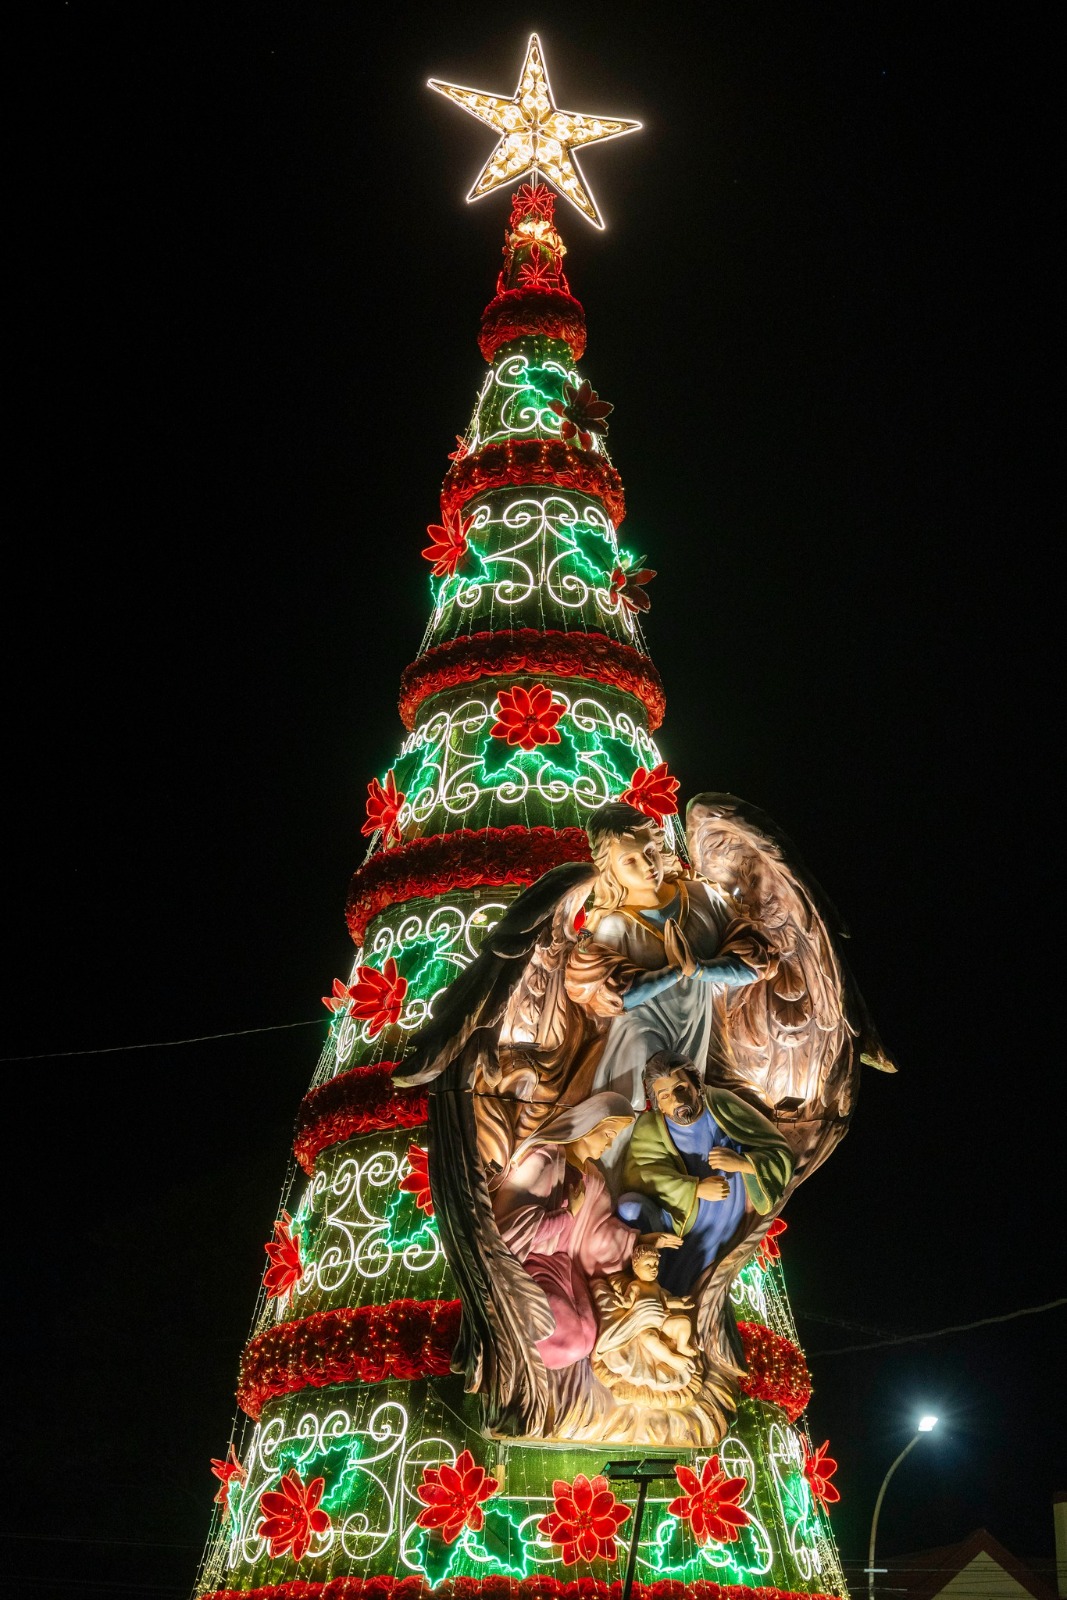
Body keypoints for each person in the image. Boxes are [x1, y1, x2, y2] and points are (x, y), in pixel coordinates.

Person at [564, 804, 771, 1125]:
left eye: (649, 851)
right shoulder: (615, 926)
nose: (646, 864)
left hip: (704, 1030)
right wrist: (673, 971)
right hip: (639, 1035)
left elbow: (755, 962)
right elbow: (607, 996)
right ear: (610, 870)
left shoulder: (703, 897)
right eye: (628, 861)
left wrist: (700, 969)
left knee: (698, 1108)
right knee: (636, 1116)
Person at [490, 1092, 680, 1371]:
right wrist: (568, 1215)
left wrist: (639, 1242)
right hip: (530, 1268)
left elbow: (597, 1237)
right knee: (570, 1341)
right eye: (609, 1133)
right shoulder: (544, 1160)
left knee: (591, 1333)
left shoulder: (593, 1178)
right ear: (588, 1125)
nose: (610, 1143)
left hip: (566, 1268)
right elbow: (510, 1231)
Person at [618, 1052, 794, 1295]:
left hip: (723, 1220)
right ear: (657, 1102)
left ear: (695, 1084)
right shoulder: (651, 1126)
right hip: (677, 1219)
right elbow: (641, 1176)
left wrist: (743, 1164)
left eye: (680, 1087)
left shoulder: (720, 1104)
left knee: (699, 1282)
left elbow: (779, 1152)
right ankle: (651, 1289)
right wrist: (695, 1189)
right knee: (629, 1207)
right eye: (665, 1095)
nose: (677, 1099)